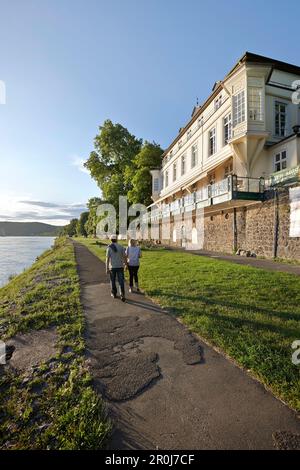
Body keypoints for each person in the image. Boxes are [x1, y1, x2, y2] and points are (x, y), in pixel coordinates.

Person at [106, 235, 127, 302]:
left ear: (111, 240)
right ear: (117, 239)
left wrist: (106, 268)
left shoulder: (109, 248)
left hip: (112, 267)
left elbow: (107, 259)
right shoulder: (121, 247)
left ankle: (114, 293)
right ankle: (122, 294)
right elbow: (124, 257)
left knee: (113, 281)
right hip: (120, 266)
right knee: (121, 281)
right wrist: (126, 264)